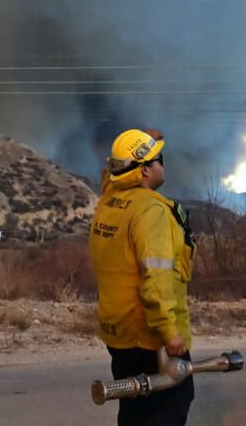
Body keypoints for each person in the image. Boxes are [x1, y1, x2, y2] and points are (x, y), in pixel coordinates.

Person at [89, 127, 195, 425]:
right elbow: (156, 278)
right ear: (145, 170)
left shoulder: (110, 201)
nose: (163, 164)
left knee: (134, 409)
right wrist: (169, 332)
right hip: (150, 338)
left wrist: (136, 145)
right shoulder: (151, 212)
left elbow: (112, 174)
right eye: (158, 158)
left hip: (118, 333)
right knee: (170, 406)